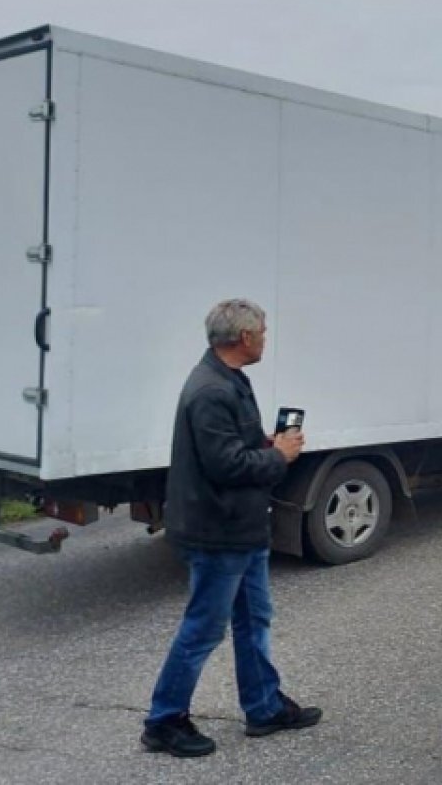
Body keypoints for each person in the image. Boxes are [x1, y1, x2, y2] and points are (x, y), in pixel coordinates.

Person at [141, 298, 321, 757]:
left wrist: (263, 441)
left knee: (254, 619)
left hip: (243, 528)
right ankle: (164, 721)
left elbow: (231, 447)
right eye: (262, 331)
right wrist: (278, 454)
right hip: (218, 531)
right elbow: (225, 465)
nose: (265, 338)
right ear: (244, 337)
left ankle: (263, 707)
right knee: (203, 628)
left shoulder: (231, 381)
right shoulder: (210, 391)